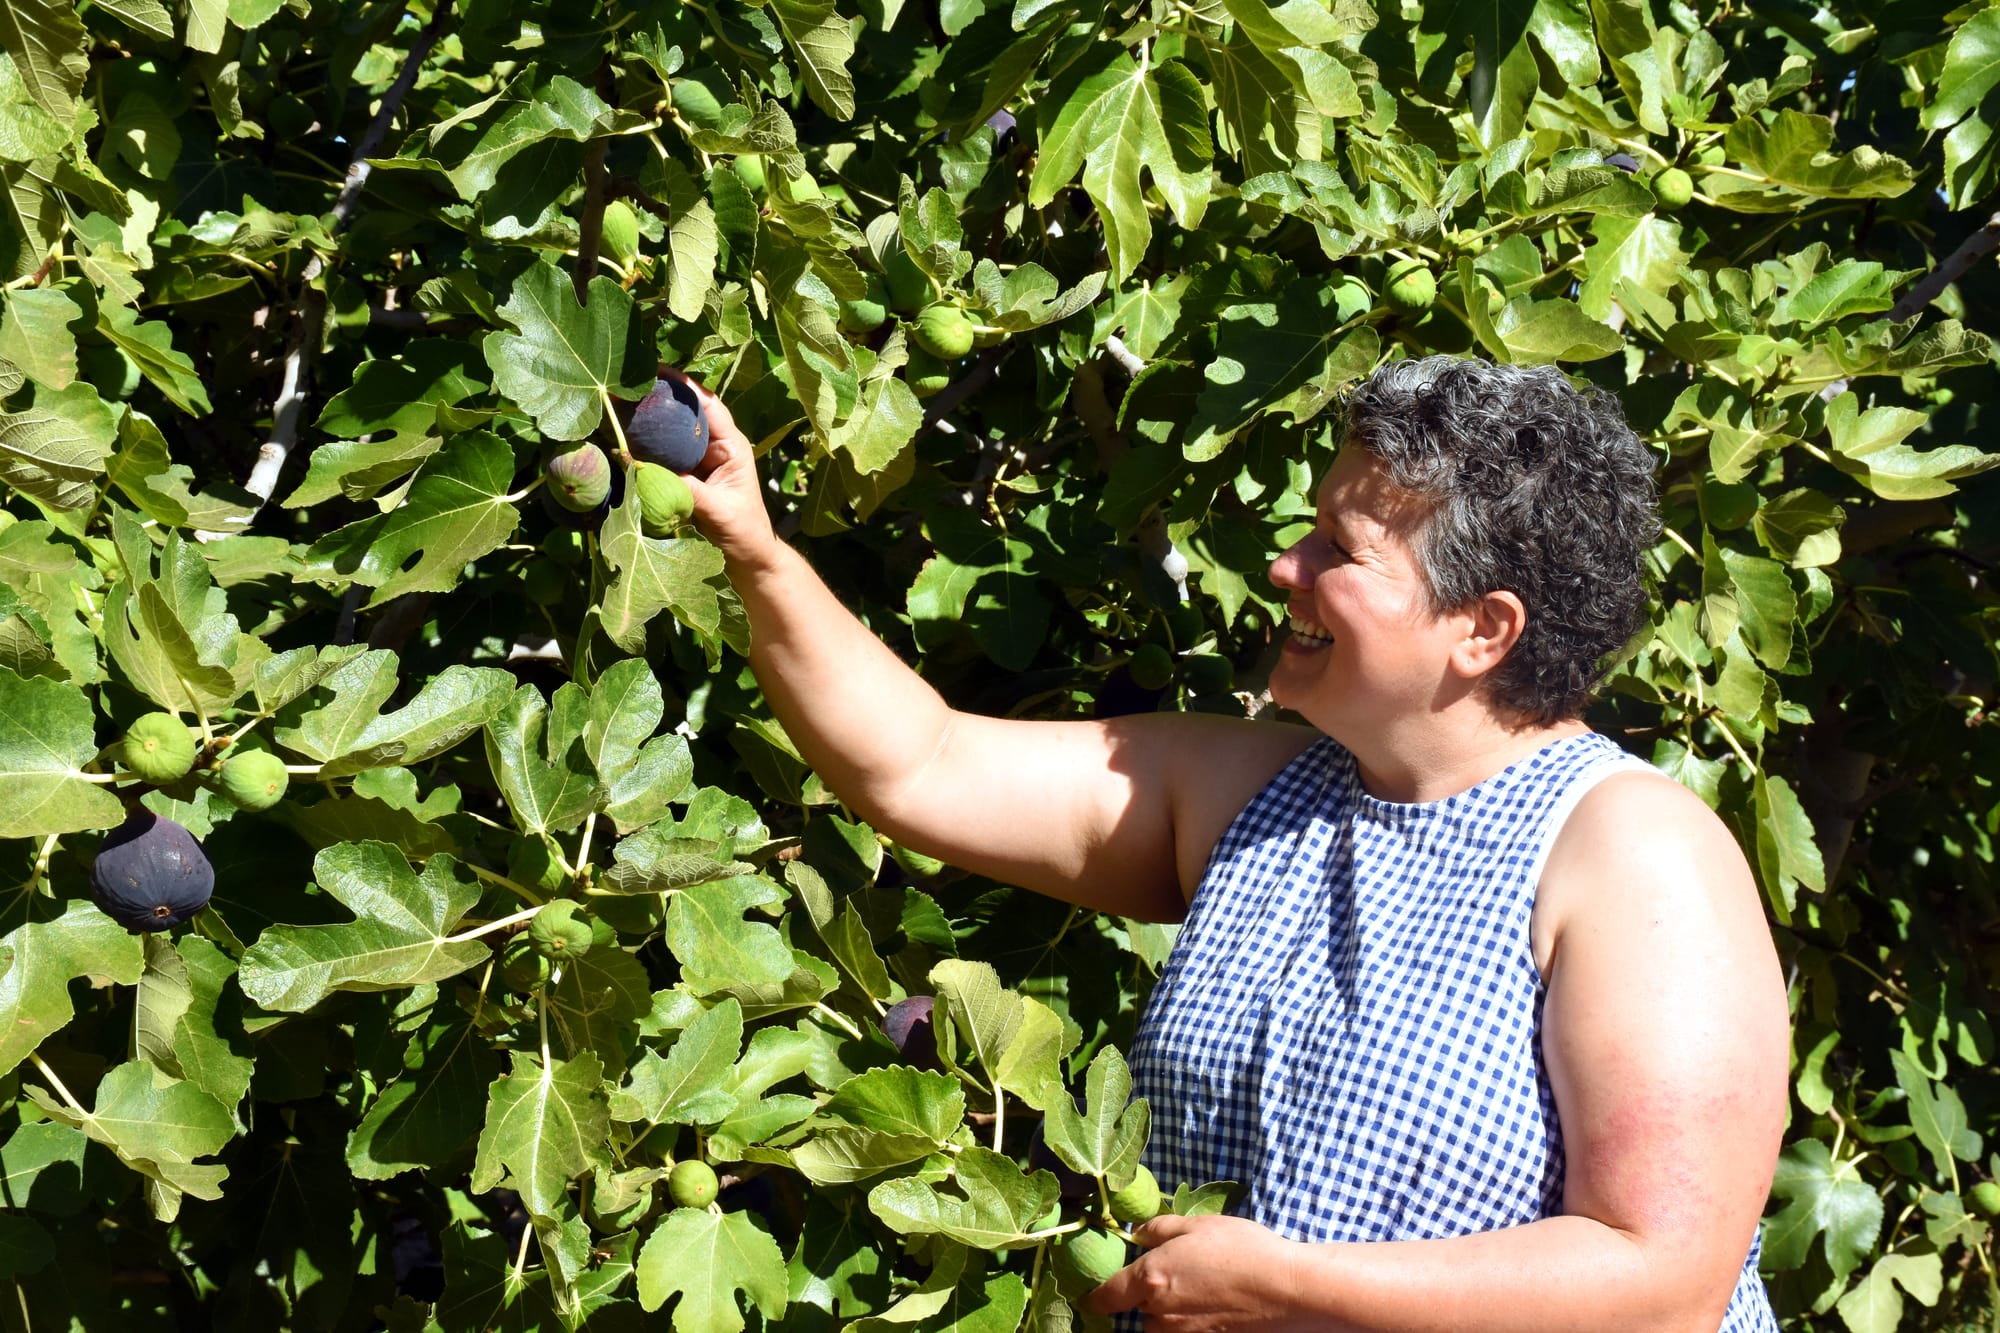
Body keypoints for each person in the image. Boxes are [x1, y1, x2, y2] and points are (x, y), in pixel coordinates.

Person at [678, 353, 1789, 1332]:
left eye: (1337, 551)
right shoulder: (1254, 796)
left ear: (1481, 629)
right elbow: (916, 763)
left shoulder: (1632, 854)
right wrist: (757, 550)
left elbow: (1660, 1283)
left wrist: (1298, 1289)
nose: (1282, 566)